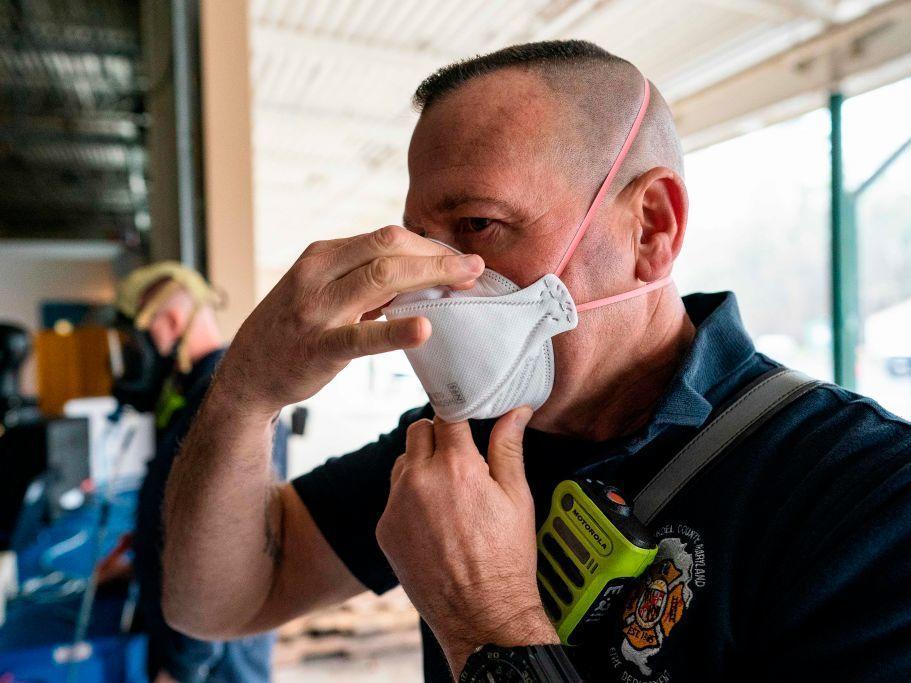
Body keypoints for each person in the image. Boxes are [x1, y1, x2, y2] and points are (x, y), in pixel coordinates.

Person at [161, 41, 911, 682]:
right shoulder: (462, 439)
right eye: (427, 243)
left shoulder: (865, 497)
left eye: (480, 225)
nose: (439, 282)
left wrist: (485, 620)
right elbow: (220, 603)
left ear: (651, 228)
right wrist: (244, 394)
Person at [115, 262, 287, 683]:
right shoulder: (204, 389)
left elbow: (223, 537)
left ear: (172, 321)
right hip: (203, 641)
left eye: (144, 336)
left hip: (216, 656)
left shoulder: (224, 400)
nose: (142, 353)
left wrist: (183, 664)